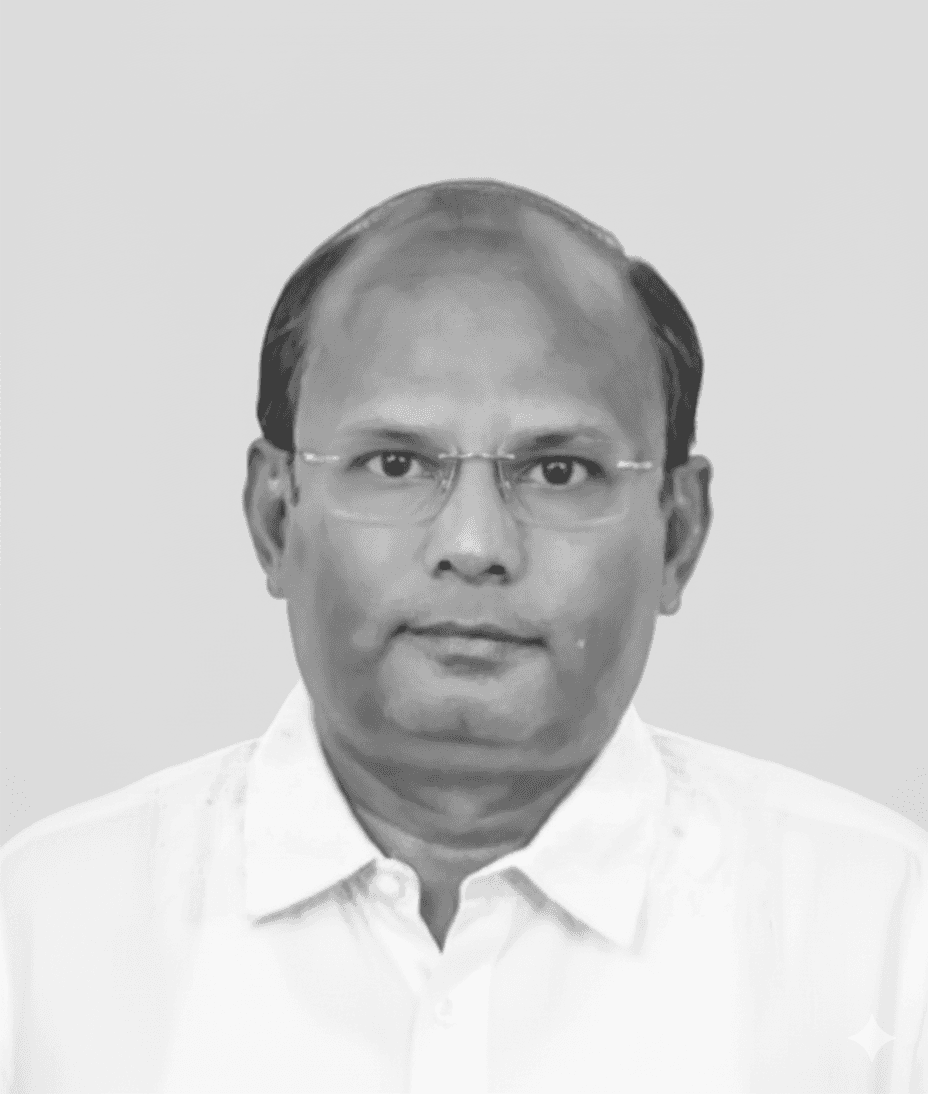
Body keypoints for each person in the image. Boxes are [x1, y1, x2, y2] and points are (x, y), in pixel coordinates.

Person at [1, 179, 925, 1094]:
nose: (475, 545)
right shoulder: (39, 935)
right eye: (395, 463)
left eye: (558, 472)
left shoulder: (883, 935)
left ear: (678, 533)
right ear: (274, 518)